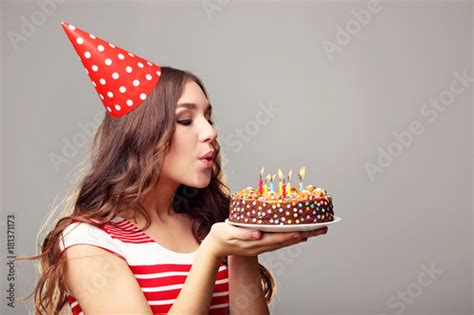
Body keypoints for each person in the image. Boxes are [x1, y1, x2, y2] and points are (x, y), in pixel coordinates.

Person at [20, 22, 329, 315]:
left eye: (209, 117)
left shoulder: (208, 222)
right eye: (186, 120)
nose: (210, 132)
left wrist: (241, 251)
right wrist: (210, 254)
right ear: (142, 136)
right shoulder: (90, 241)